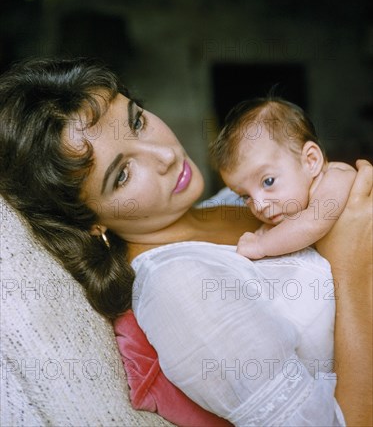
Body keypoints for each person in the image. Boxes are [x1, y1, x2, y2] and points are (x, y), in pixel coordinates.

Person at [0, 57, 371, 426]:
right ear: (89, 221)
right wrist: (354, 273)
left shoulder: (230, 200)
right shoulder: (181, 290)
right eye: (123, 174)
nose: (164, 155)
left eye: (138, 121)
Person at [209, 97, 356, 259]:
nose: (259, 205)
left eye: (268, 181)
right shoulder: (290, 210)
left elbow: (312, 224)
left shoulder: (336, 178)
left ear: (311, 160)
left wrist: (261, 245)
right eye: (246, 196)